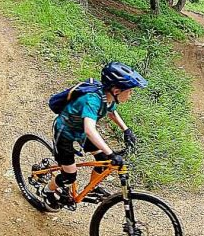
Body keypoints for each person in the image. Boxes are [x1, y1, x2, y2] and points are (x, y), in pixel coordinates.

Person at [43, 61, 147, 211]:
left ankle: (90, 188)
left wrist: (126, 130)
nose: (131, 95)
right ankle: (47, 190)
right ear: (117, 90)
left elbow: (111, 111)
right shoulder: (92, 100)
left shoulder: (108, 97)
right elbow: (90, 130)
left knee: (104, 161)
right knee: (69, 176)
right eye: (130, 91)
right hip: (65, 132)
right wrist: (111, 153)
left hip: (80, 131)